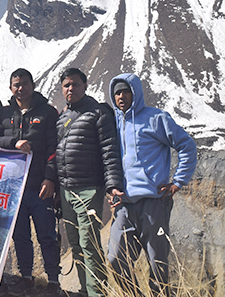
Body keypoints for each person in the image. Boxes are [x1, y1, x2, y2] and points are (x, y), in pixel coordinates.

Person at [107, 73, 197, 297]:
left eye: (125, 91)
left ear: (135, 92)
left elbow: (187, 146)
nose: (121, 96)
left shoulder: (157, 118)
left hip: (154, 203)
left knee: (157, 264)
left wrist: (178, 182)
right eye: (117, 92)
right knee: (115, 259)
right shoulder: (113, 123)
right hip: (124, 205)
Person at [0, 68, 60, 295]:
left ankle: (54, 281)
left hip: (40, 186)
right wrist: (13, 143)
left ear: (33, 84)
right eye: (16, 84)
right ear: (11, 88)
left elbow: (54, 148)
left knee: (47, 235)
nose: (21, 88)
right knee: (20, 236)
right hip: (14, 188)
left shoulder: (48, 112)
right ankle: (26, 277)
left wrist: (50, 179)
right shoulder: (3, 113)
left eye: (25, 83)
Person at [56, 67, 124, 297]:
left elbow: (109, 150)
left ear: (85, 85)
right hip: (66, 190)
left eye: (75, 84)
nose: (71, 89)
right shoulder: (62, 117)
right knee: (75, 243)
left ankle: (97, 293)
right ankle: (86, 290)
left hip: (88, 189)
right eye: (66, 85)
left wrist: (112, 184)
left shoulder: (98, 113)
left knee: (89, 244)